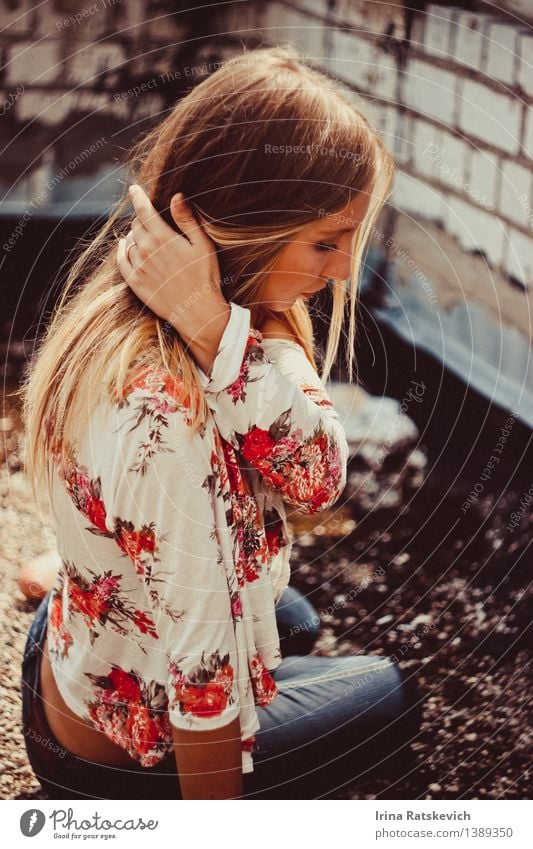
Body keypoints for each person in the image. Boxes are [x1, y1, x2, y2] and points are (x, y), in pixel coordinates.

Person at [19, 45, 422, 800]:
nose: (340, 270)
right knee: (392, 692)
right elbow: (205, 690)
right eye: (325, 241)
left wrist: (220, 330)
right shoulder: (169, 422)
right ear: (245, 225)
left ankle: (71, 579)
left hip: (74, 655)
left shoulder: (148, 308)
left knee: (286, 613)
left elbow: (315, 473)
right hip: (111, 756)